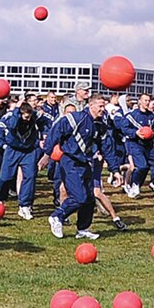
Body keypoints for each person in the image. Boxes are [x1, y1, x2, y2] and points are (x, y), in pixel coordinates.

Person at [42, 91, 114, 241]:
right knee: (78, 197)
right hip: (70, 161)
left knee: (89, 198)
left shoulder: (101, 125)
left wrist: (115, 169)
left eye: (104, 106)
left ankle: (83, 229)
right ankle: (57, 216)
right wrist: (46, 155)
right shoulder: (75, 119)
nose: (103, 109)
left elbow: (107, 146)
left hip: (85, 163)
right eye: (100, 106)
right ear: (91, 105)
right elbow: (56, 132)